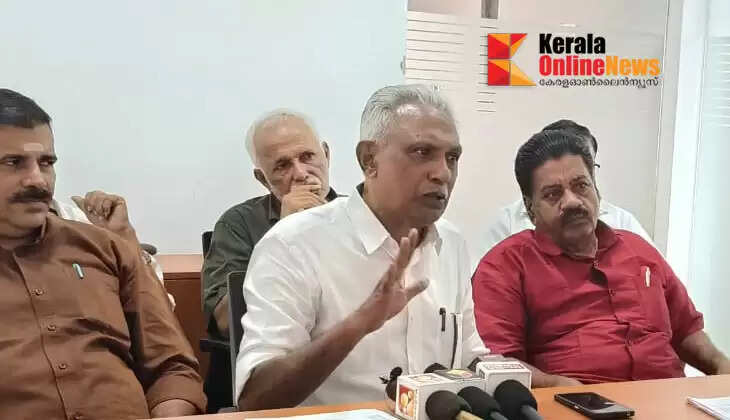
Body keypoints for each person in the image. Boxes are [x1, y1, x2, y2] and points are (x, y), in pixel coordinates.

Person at [235, 84, 487, 410]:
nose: (443, 173)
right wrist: (359, 324)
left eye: (452, 157)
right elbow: (256, 399)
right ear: (369, 160)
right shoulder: (292, 245)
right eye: (422, 152)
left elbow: (469, 357)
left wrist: (539, 382)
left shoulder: (451, 243)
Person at [0, 88, 206, 419]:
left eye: (46, 163)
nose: (38, 180)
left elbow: (173, 368)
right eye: (13, 163)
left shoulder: (106, 248)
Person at [472, 130, 730, 388]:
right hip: (576, 402)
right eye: (553, 194)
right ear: (530, 209)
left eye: (581, 186)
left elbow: (687, 330)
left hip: (669, 399)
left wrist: (720, 365)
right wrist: (553, 385)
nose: (572, 201)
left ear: (596, 190)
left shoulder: (639, 250)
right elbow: (497, 361)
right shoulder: (505, 266)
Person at [200, 109, 338, 411]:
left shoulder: (356, 216)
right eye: (282, 165)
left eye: (308, 156)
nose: (300, 173)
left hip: (346, 374)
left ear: (326, 155)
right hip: (273, 379)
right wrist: (284, 233)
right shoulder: (238, 223)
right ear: (262, 178)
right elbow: (225, 321)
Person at [476, 120, 651, 260]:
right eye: (553, 193)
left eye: (581, 181)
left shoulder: (623, 222)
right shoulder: (507, 223)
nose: (571, 201)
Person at [51, 192, 175, 308]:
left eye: (46, 168)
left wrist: (124, 238)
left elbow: (160, 309)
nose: (41, 181)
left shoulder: (86, 220)